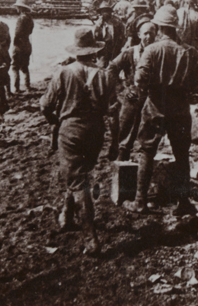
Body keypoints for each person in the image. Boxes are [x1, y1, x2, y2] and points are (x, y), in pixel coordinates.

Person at [123, 5, 198, 216]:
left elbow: (139, 80)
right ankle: (183, 202)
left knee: (147, 152)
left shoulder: (151, 50)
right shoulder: (190, 52)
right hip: (180, 108)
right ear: (175, 27)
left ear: (159, 27)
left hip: (155, 106)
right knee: (181, 154)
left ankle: (140, 201)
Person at [40, 28, 116, 255]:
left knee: (78, 180)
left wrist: (55, 122)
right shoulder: (105, 75)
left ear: (76, 51)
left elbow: (45, 106)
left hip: (71, 131)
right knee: (79, 173)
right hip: (95, 132)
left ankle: (91, 238)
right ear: (93, 51)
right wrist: (115, 142)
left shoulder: (63, 73)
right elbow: (114, 113)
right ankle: (67, 214)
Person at [107, 18, 157, 161]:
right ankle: (118, 157)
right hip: (133, 96)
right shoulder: (131, 52)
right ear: (139, 35)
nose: (149, 37)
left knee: (148, 133)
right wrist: (122, 89)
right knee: (124, 129)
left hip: (151, 98)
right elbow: (111, 69)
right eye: (146, 34)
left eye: (152, 34)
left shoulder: (158, 52)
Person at [11, 0, 34, 93]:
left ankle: (16, 88)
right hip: (27, 43)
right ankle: (27, 86)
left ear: (20, 8)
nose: (17, 8)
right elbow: (30, 31)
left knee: (15, 67)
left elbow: (17, 33)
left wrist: (14, 43)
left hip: (20, 44)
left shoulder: (21, 18)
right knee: (25, 67)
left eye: (18, 7)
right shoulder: (29, 18)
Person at [93, 0, 126, 64]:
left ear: (110, 12)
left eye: (107, 11)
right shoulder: (99, 23)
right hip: (103, 47)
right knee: (102, 64)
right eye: (103, 11)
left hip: (115, 45)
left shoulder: (116, 21)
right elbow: (95, 36)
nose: (105, 13)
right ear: (101, 12)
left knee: (115, 63)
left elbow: (123, 33)